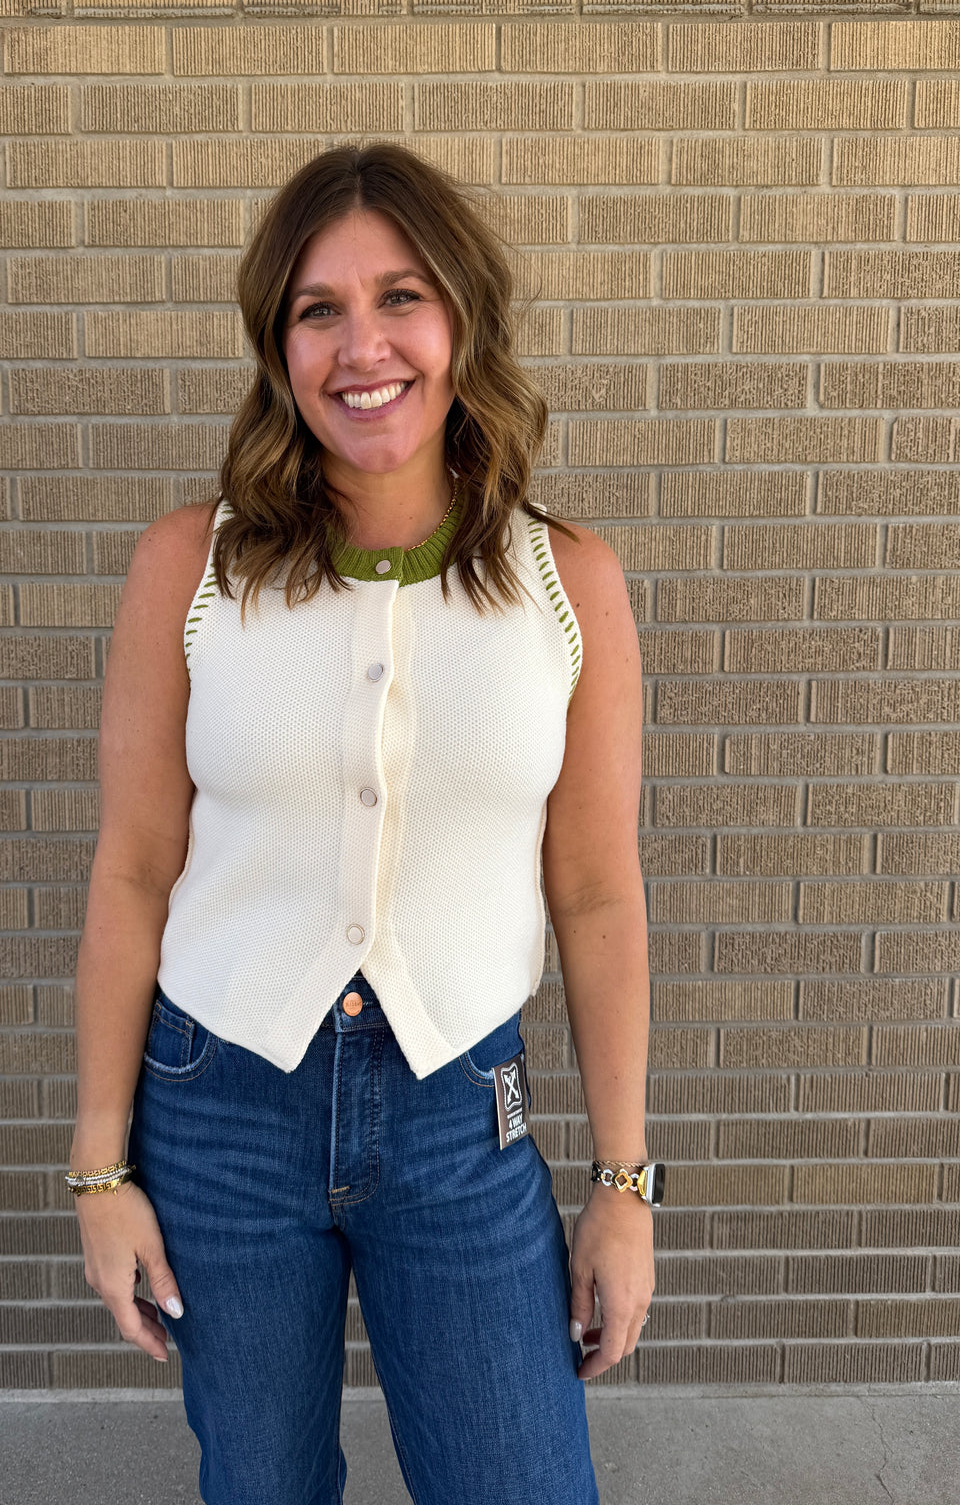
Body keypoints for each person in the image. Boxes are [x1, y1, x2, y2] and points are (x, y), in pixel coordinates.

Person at [67, 141, 655, 1504]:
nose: (361, 344)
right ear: (278, 346)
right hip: (220, 1112)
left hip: (462, 1114)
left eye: (401, 297)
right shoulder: (194, 570)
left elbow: (597, 894)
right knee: (261, 1486)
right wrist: (101, 1173)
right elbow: (135, 868)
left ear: (462, 322)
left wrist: (627, 1186)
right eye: (317, 309)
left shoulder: (565, 584)